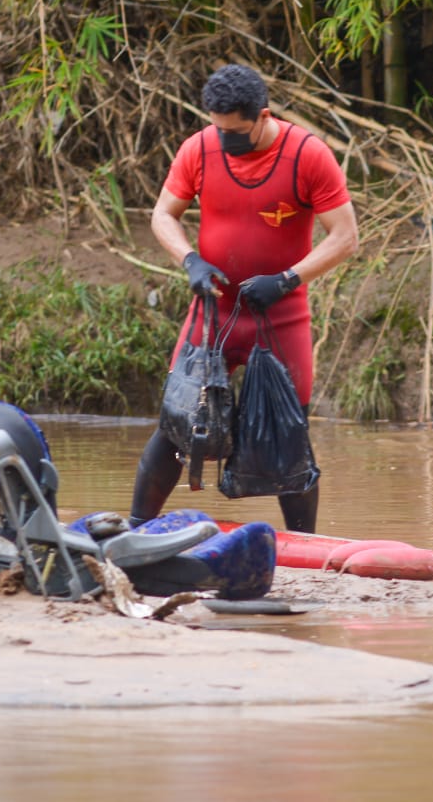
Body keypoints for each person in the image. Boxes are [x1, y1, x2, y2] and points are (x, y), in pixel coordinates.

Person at [130, 64, 359, 533]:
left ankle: (302, 546)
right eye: (217, 128)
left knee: (287, 433)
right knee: (178, 422)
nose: (224, 139)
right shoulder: (199, 148)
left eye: (234, 131)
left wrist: (287, 279)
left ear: (263, 115)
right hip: (211, 312)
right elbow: (163, 215)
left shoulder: (307, 155)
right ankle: (135, 530)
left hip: (280, 316)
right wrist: (190, 260)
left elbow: (345, 237)